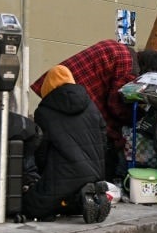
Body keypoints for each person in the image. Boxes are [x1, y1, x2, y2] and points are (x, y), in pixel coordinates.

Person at [30, 40, 157, 181]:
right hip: (70, 95)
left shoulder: (121, 50)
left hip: (58, 85)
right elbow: (115, 105)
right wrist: (139, 116)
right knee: (103, 140)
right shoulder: (129, 67)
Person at [24, 65, 111, 223]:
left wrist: (41, 174)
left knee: (31, 205)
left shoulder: (44, 111)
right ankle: (88, 197)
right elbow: (103, 138)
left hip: (63, 173)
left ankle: (62, 205)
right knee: (70, 201)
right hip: (95, 172)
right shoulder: (90, 105)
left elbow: (42, 149)